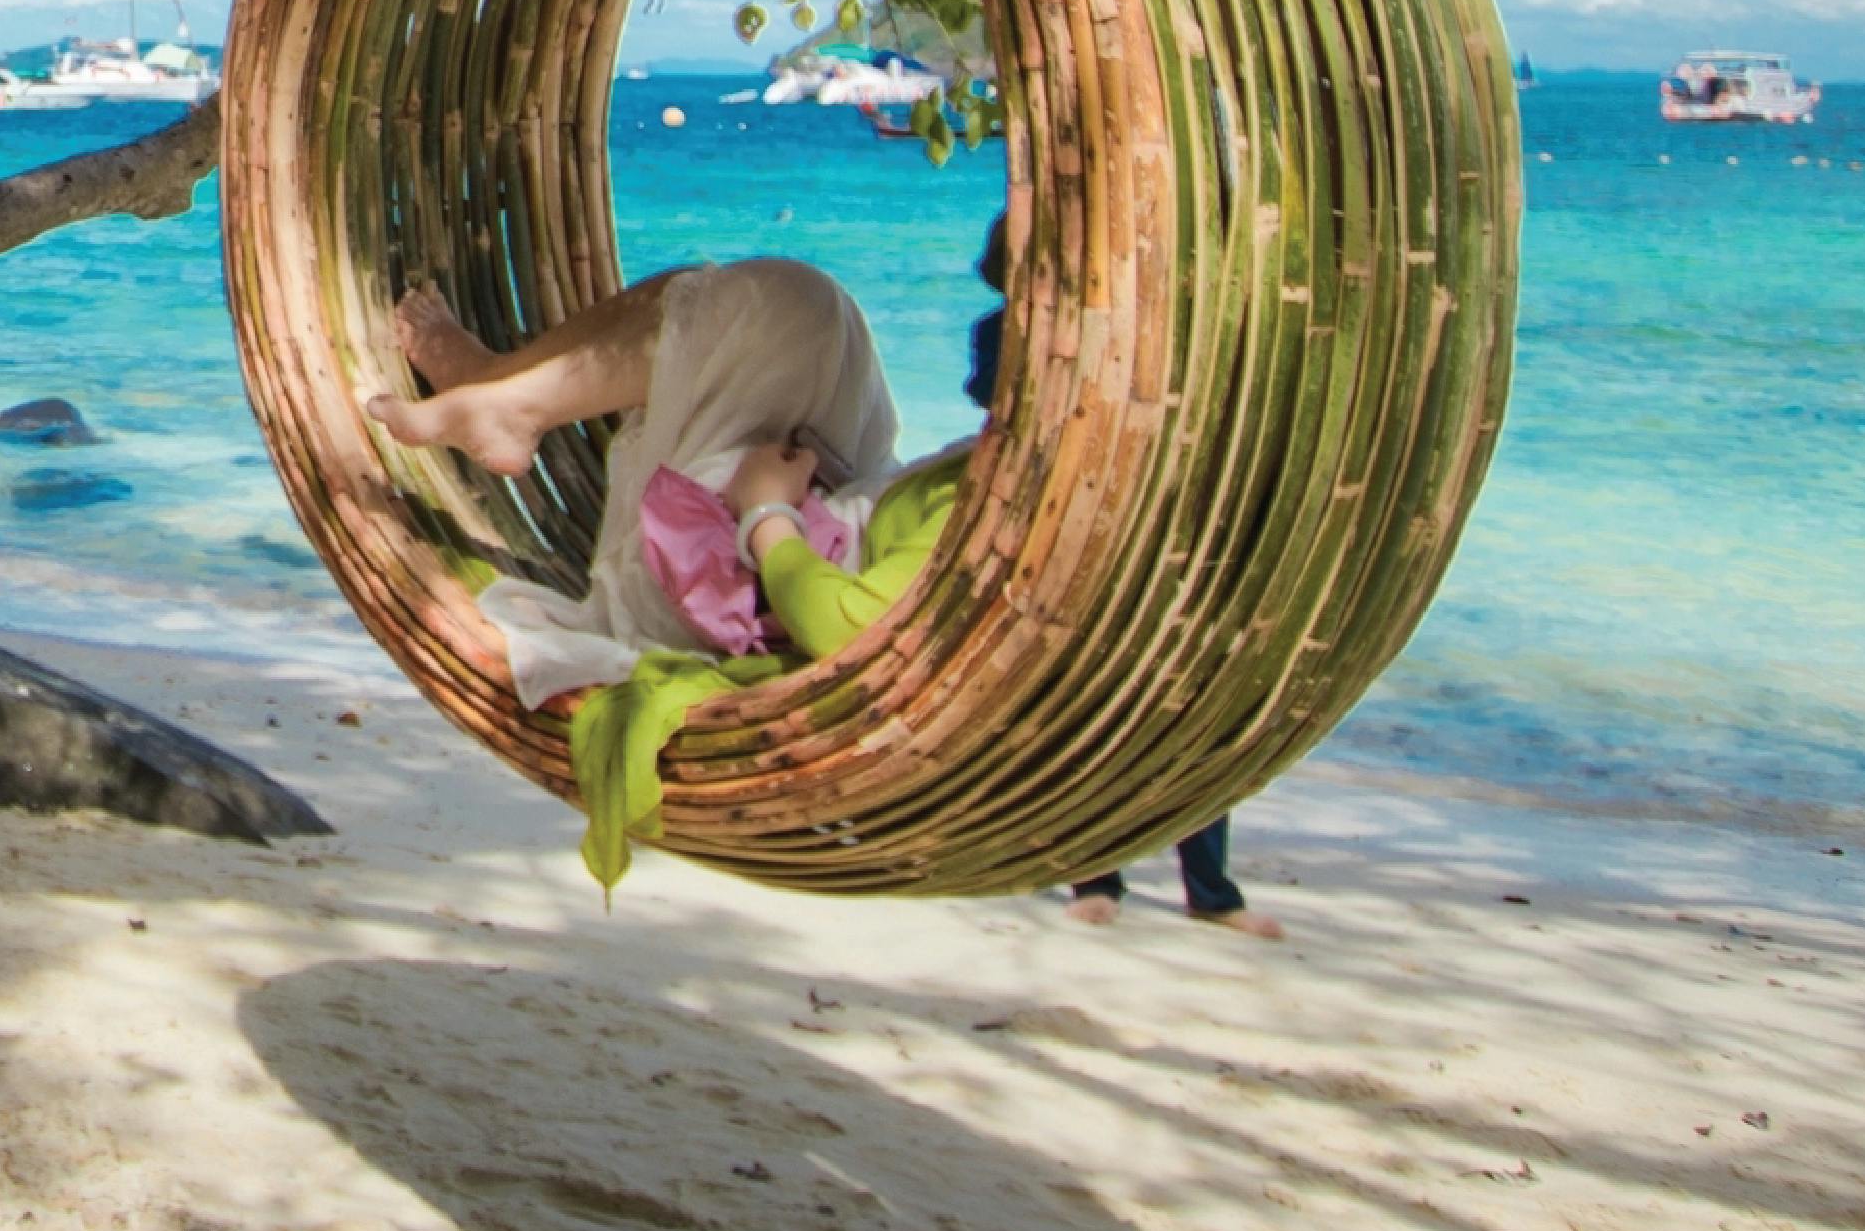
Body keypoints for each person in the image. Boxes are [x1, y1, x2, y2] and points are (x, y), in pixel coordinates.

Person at [364, 258, 905, 704]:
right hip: (821, 514)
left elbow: (841, 631)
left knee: (779, 305)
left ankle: (510, 407)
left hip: (723, 587)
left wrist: (767, 513)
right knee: (742, 297)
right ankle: (499, 384)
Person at [957, 214, 1283, 941]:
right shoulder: (999, 331)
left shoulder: (1136, 333)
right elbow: (997, 419)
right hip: (1054, 532)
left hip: (1147, 529)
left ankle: (1210, 891)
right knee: (1077, 714)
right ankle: (1098, 877)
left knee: (1182, 708)